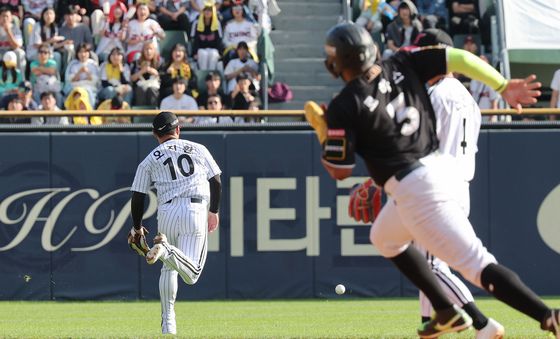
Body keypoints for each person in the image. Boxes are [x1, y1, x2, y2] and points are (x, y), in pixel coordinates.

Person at [305, 22, 559, 338]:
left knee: (476, 265)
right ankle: (445, 310)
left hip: (416, 187)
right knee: (384, 237)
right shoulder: (401, 63)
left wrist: (325, 134)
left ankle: (548, 316)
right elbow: (462, 60)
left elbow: (339, 171)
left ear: (335, 62)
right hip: (436, 171)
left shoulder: (345, 104)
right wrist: (503, 85)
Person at [410, 28, 504, 338]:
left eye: (423, 56)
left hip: (439, 185)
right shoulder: (469, 99)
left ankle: (481, 322)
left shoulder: (435, 94)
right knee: (424, 256)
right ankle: (429, 324)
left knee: (431, 264)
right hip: (460, 183)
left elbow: (421, 145)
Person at [129, 111, 222, 335]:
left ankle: (168, 325)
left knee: (169, 269)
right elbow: (216, 180)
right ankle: (167, 250)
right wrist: (214, 211)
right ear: (178, 130)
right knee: (192, 274)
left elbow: (138, 196)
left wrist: (137, 227)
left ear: (154, 134)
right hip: (195, 208)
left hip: (167, 211)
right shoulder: (198, 148)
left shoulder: (150, 159)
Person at [190, 2, 223, 71]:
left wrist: (220, 53)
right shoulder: (196, 23)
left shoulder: (217, 23)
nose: (207, 12)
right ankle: (203, 74)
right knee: (203, 54)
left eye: (210, 10)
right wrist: (195, 53)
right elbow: (194, 39)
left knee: (213, 54)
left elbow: (219, 39)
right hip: (201, 49)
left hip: (213, 49)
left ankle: (211, 74)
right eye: (206, 10)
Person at [130, 40, 162, 107]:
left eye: (151, 49)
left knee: (152, 90)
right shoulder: (136, 63)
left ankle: (153, 113)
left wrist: (155, 72)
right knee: (140, 89)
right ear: (142, 51)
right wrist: (142, 71)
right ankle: (140, 114)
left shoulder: (159, 63)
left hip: (154, 87)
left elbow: (162, 78)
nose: (148, 51)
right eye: (146, 49)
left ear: (154, 51)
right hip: (139, 87)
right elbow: (132, 78)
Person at [0, 7, 26, 75]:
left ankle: (21, 80)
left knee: (20, 53)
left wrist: (8, 32)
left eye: (7, 16)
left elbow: (17, 46)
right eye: (3, 16)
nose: (5, 18)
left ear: (11, 18)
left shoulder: (15, 28)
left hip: (11, 52)